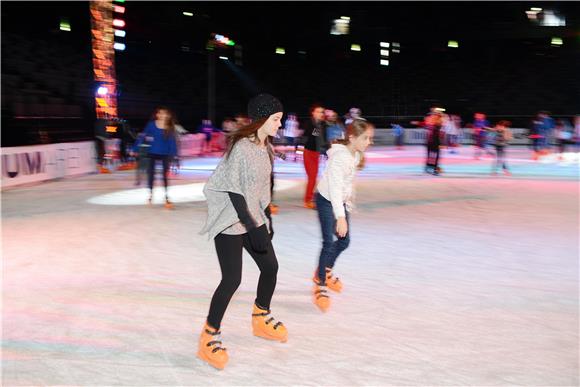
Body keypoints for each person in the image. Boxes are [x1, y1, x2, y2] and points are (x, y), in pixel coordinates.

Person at [198, 94, 287, 370]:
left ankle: (261, 317)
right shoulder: (241, 148)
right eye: (275, 120)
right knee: (232, 279)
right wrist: (252, 226)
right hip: (230, 220)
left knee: (270, 266)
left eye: (280, 120)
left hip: (252, 217)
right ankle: (209, 335)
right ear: (262, 119)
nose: (279, 125)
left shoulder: (265, 147)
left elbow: (262, 190)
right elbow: (235, 191)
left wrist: (267, 219)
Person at [312, 119, 374, 312]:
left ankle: (325, 270)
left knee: (344, 241)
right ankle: (320, 283)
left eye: (370, 138)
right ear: (353, 137)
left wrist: (348, 205)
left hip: (339, 201)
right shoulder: (340, 158)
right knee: (328, 243)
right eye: (366, 138)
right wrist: (340, 217)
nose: (369, 142)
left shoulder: (354, 155)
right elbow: (335, 188)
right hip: (325, 200)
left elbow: (347, 184)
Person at [144, 107, 178, 208]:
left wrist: (174, 155)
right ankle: (150, 194)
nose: (163, 115)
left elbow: (172, 142)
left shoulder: (169, 127)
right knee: (151, 173)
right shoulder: (151, 125)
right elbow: (143, 136)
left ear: (168, 115)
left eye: (165, 113)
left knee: (165, 175)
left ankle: (166, 196)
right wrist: (135, 148)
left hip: (165, 154)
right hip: (152, 153)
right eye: (161, 113)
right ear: (157, 114)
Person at [302, 104, 328, 209]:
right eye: (318, 111)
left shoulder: (322, 124)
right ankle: (307, 200)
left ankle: (310, 197)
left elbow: (324, 139)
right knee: (312, 177)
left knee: (314, 177)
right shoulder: (309, 123)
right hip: (308, 152)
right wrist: (319, 125)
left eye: (322, 112)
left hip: (316, 153)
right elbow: (311, 135)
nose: (320, 114)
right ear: (313, 113)